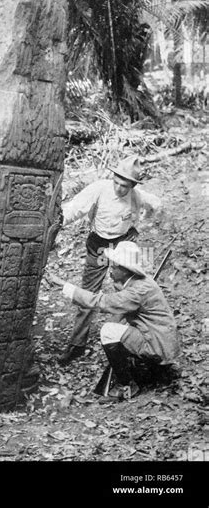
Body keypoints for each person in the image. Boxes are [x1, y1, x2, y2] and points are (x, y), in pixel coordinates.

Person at [58, 155, 162, 366]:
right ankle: (77, 344)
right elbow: (74, 209)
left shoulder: (137, 196)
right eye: (116, 182)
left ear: (132, 185)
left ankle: (122, 337)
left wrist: (145, 223)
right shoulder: (100, 189)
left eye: (125, 186)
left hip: (123, 244)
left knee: (127, 293)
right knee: (90, 291)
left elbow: (156, 205)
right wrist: (58, 223)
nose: (119, 188)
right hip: (99, 245)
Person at [48, 241, 179, 399]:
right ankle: (149, 369)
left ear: (126, 270)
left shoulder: (137, 291)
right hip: (161, 339)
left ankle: (127, 385)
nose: (111, 268)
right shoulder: (139, 283)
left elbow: (100, 302)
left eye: (115, 266)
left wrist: (65, 286)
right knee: (116, 326)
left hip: (159, 346)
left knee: (108, 331)